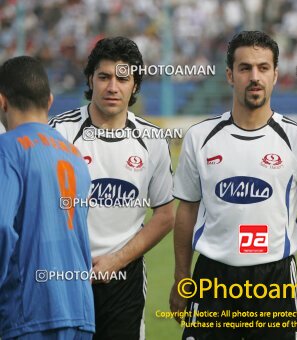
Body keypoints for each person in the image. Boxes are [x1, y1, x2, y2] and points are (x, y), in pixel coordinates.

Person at [169, 30, 297, 340]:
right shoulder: (199, 137)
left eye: (263, 68)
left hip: (276, 277)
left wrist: (283, 241)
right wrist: (181, 276)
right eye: (245, 68)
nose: (254, 77)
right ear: (230, 75)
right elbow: (187, 209)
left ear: (275, 75)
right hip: (212, 277)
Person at [49, 37, 175, 340]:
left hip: (123, 280)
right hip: (62, 276)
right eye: (104, 77)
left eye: (122, 78)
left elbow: (165, 215)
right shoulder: (58, 132)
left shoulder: (153, 140)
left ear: (135, 85)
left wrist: (116, 261)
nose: (112, 87)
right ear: (91, 79)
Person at [0, 56, 94, 339]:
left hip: (29, 313)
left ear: (2, 101)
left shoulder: (7, 148)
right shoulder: (76, 157)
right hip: (79, 311)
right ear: (50, 100)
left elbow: (3, 227)